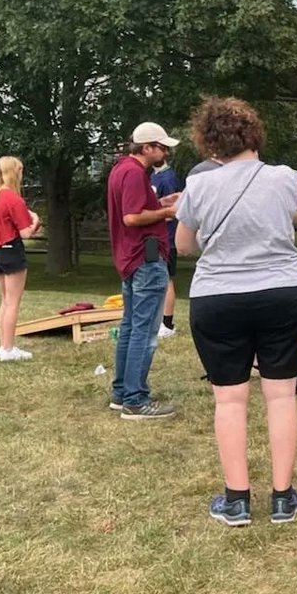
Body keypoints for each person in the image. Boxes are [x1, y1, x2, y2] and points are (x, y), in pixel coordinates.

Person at [174, 97, 297, 527]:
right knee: (280, 395)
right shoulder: (283, 178)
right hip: (282, 291)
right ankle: (282, 497)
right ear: (255, 135)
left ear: (210, 144)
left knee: (229, 398)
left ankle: (236, 500)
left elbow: (184, 246)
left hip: (218, 296)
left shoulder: (199, 186)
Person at [107, 122, 181, 420]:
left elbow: (136, 209)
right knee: (145, 331)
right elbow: (132, 217)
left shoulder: (121, 169)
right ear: (146, 147)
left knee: (129, 327)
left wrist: (161, 202)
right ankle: (136, 400)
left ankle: (121, 392)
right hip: (146, 258)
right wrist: (168, 212)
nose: (164, 152)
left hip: (130, 257)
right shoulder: (136, 173)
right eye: (161, 146)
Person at [0, 156, 42, 361]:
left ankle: (3, 346)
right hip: (11, 250)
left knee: (5, 301)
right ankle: (8, 349)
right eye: (21, 171)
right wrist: (36, 221)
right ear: (15, 172)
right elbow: (25, 232)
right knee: (13, 302)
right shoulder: (13, 198)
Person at [151, 162, 183, 338]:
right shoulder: (152, 175)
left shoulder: (168, 178)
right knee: (152, 275)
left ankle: (167, 324)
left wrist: (147, 218)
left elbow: (173, 212)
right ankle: (155, 320)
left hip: (166, 238)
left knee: (166, 278)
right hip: (151, 238)